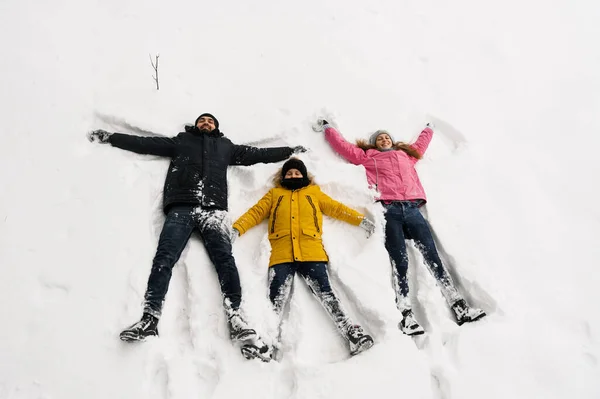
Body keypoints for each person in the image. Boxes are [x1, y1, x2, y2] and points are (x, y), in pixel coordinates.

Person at [88, 113, 307, 344]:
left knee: (225, 261)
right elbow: (146, 144)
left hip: (213, 211)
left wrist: (288, 151)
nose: (206, 123)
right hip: (181, 207)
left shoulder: (225, 146)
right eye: (202, 120)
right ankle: (150, 318)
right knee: (164, 258)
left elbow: (257, 154)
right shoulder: (182, 141)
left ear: (216, 126)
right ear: (196, 125)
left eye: (210, 121)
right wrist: (111, 137)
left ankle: (236, 317)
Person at [313, 118, 485, 336]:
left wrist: (428, 129)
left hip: (413, 209)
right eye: (379, 139)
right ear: (375, 144)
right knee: (399, 260)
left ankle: (459, 306)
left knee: (432, 255)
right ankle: (406, 315)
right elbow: (343, 147)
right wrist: (329, 129)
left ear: (392, 141)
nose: (384, 140)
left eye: (387, 137)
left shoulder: (406, 155)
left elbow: (421, 145)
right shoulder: (368, 157)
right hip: (389, 210)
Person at [232, 158, 376, 356]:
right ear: (283, 177)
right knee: (275, 299)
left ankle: (352, 334)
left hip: (312, 252)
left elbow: (336, 208)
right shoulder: (275, 194)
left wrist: (360, 220)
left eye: (297, 173)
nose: (293, 176)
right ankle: (265, 344)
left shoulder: (313, 193)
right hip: (281, 254)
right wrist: (237, 228)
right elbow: (255, 213)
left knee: (327, 294)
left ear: (304, 176)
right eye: (289, 173)